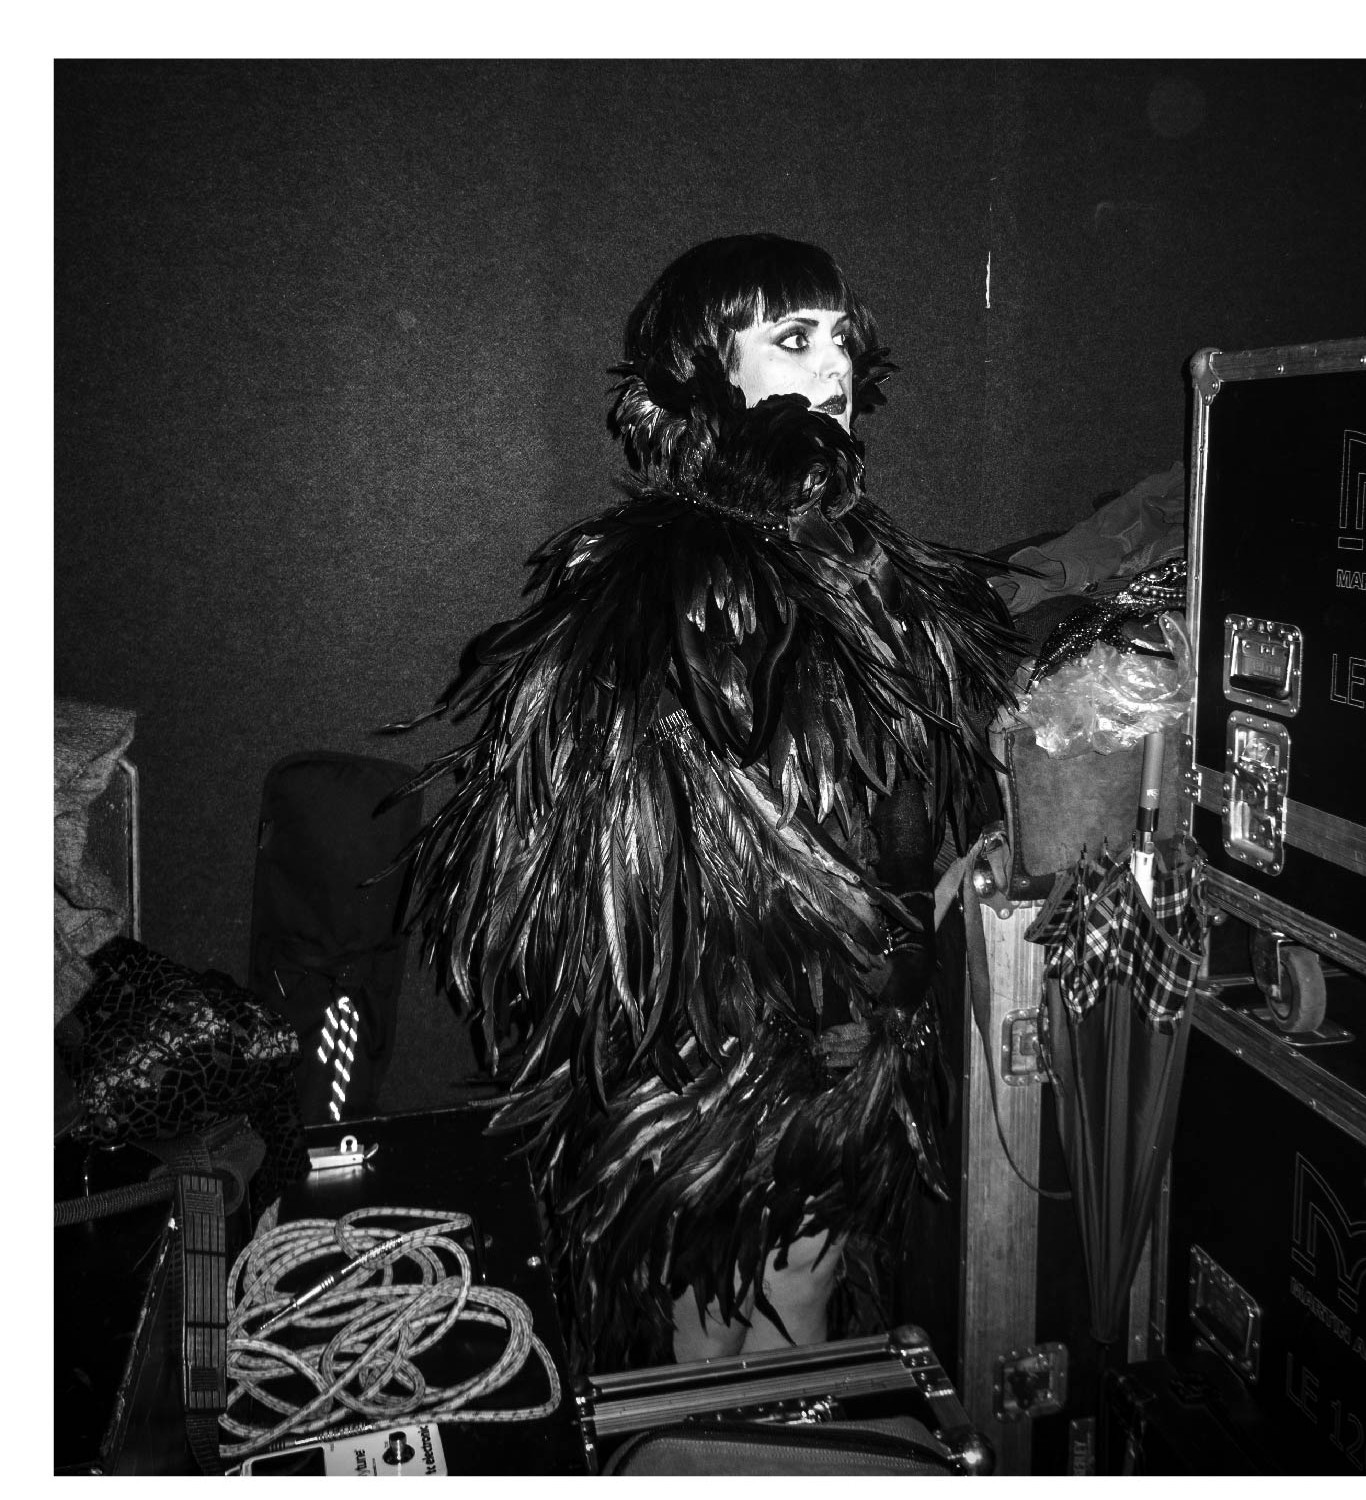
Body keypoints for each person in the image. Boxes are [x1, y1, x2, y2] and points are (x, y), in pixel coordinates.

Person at [396, 233, 1026, 1371]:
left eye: (841, 338)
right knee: (719, 1313)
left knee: (801, 1291)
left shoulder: (856, 560)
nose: (832, 363)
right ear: (706, 368)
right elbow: (632, 828)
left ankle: (777, 1444)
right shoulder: (672, 579)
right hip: (723, 1040)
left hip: (845, 1028)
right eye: (793, 337)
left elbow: (899, 794)